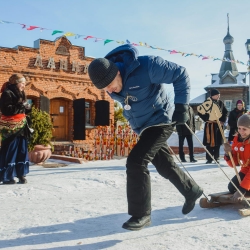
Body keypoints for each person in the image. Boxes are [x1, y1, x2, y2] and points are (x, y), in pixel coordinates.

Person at [88, 44, 203, 231]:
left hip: (161, 120)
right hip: (144, 128)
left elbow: (180, 74)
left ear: (117, 72)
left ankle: (141, 214)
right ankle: (191, 191)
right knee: (165, 165)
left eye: (109, 85)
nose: (110, 91)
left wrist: (182, 106)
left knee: (136, 162)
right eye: (105, 89)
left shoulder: (146, 66)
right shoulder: (113, 87)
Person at [0, 73, 32, 184]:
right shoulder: (7, 93)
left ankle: (21, 174)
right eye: (22, 83)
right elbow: (6, 110)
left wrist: (27, 107)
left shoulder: (22, 93)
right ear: (16, 83)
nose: (24, 85)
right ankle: (7, 176)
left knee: (22, 150)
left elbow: (24, 110)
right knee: (11, 150)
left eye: (24, 83)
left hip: (22, 127)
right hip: (10, 128)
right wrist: (20, 106)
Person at [223, 114, 250, 202]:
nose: (241, 132)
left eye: (244, 129)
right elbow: (233, 164)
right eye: (239, 128)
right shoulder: (237, 140)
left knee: (243, 189)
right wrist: (228, 154)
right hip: (245, 170)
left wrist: (242, 190)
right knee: (232, 187)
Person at [198, 89, 228, 164]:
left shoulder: (220, 103)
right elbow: (200, 112)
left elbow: (225, 112)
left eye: (219, 95)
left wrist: (222, 121)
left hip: (218, 125)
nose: (219, 96)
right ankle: (209, 158)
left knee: (217, 142)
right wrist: (206, 119)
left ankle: (216, 158)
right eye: (217, 95)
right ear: (213, 95)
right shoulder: (206, 103)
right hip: (209, 125)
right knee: (209, 143)